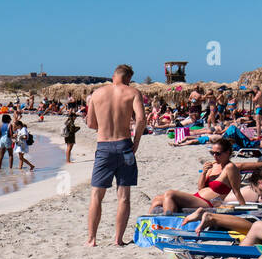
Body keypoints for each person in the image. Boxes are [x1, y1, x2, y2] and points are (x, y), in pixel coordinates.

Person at [86, 64, 146, 247]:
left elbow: (90, 123)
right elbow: (142, 119)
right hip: (124, 145)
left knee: (96, 194)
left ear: (114, 76)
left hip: (103, 146)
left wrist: (104, 125)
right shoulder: (133, 92)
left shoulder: (97, 94)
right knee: (124, 195)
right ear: (128, 78)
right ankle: (118, 240)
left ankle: (91, 239)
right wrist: (136, 143)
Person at [150, 140, 244, 213]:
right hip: (197, 198)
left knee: (170, 194)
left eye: (218, 153)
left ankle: (168, 226)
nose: (215, 156)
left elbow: (236, 191)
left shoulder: (230, 167)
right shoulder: (213, 165)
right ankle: (145, 228)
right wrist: (204, 172)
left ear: (227, 152)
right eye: (212, 153)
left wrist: (245, 209)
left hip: (209, 203)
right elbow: (200, 187)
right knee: (157, 199)